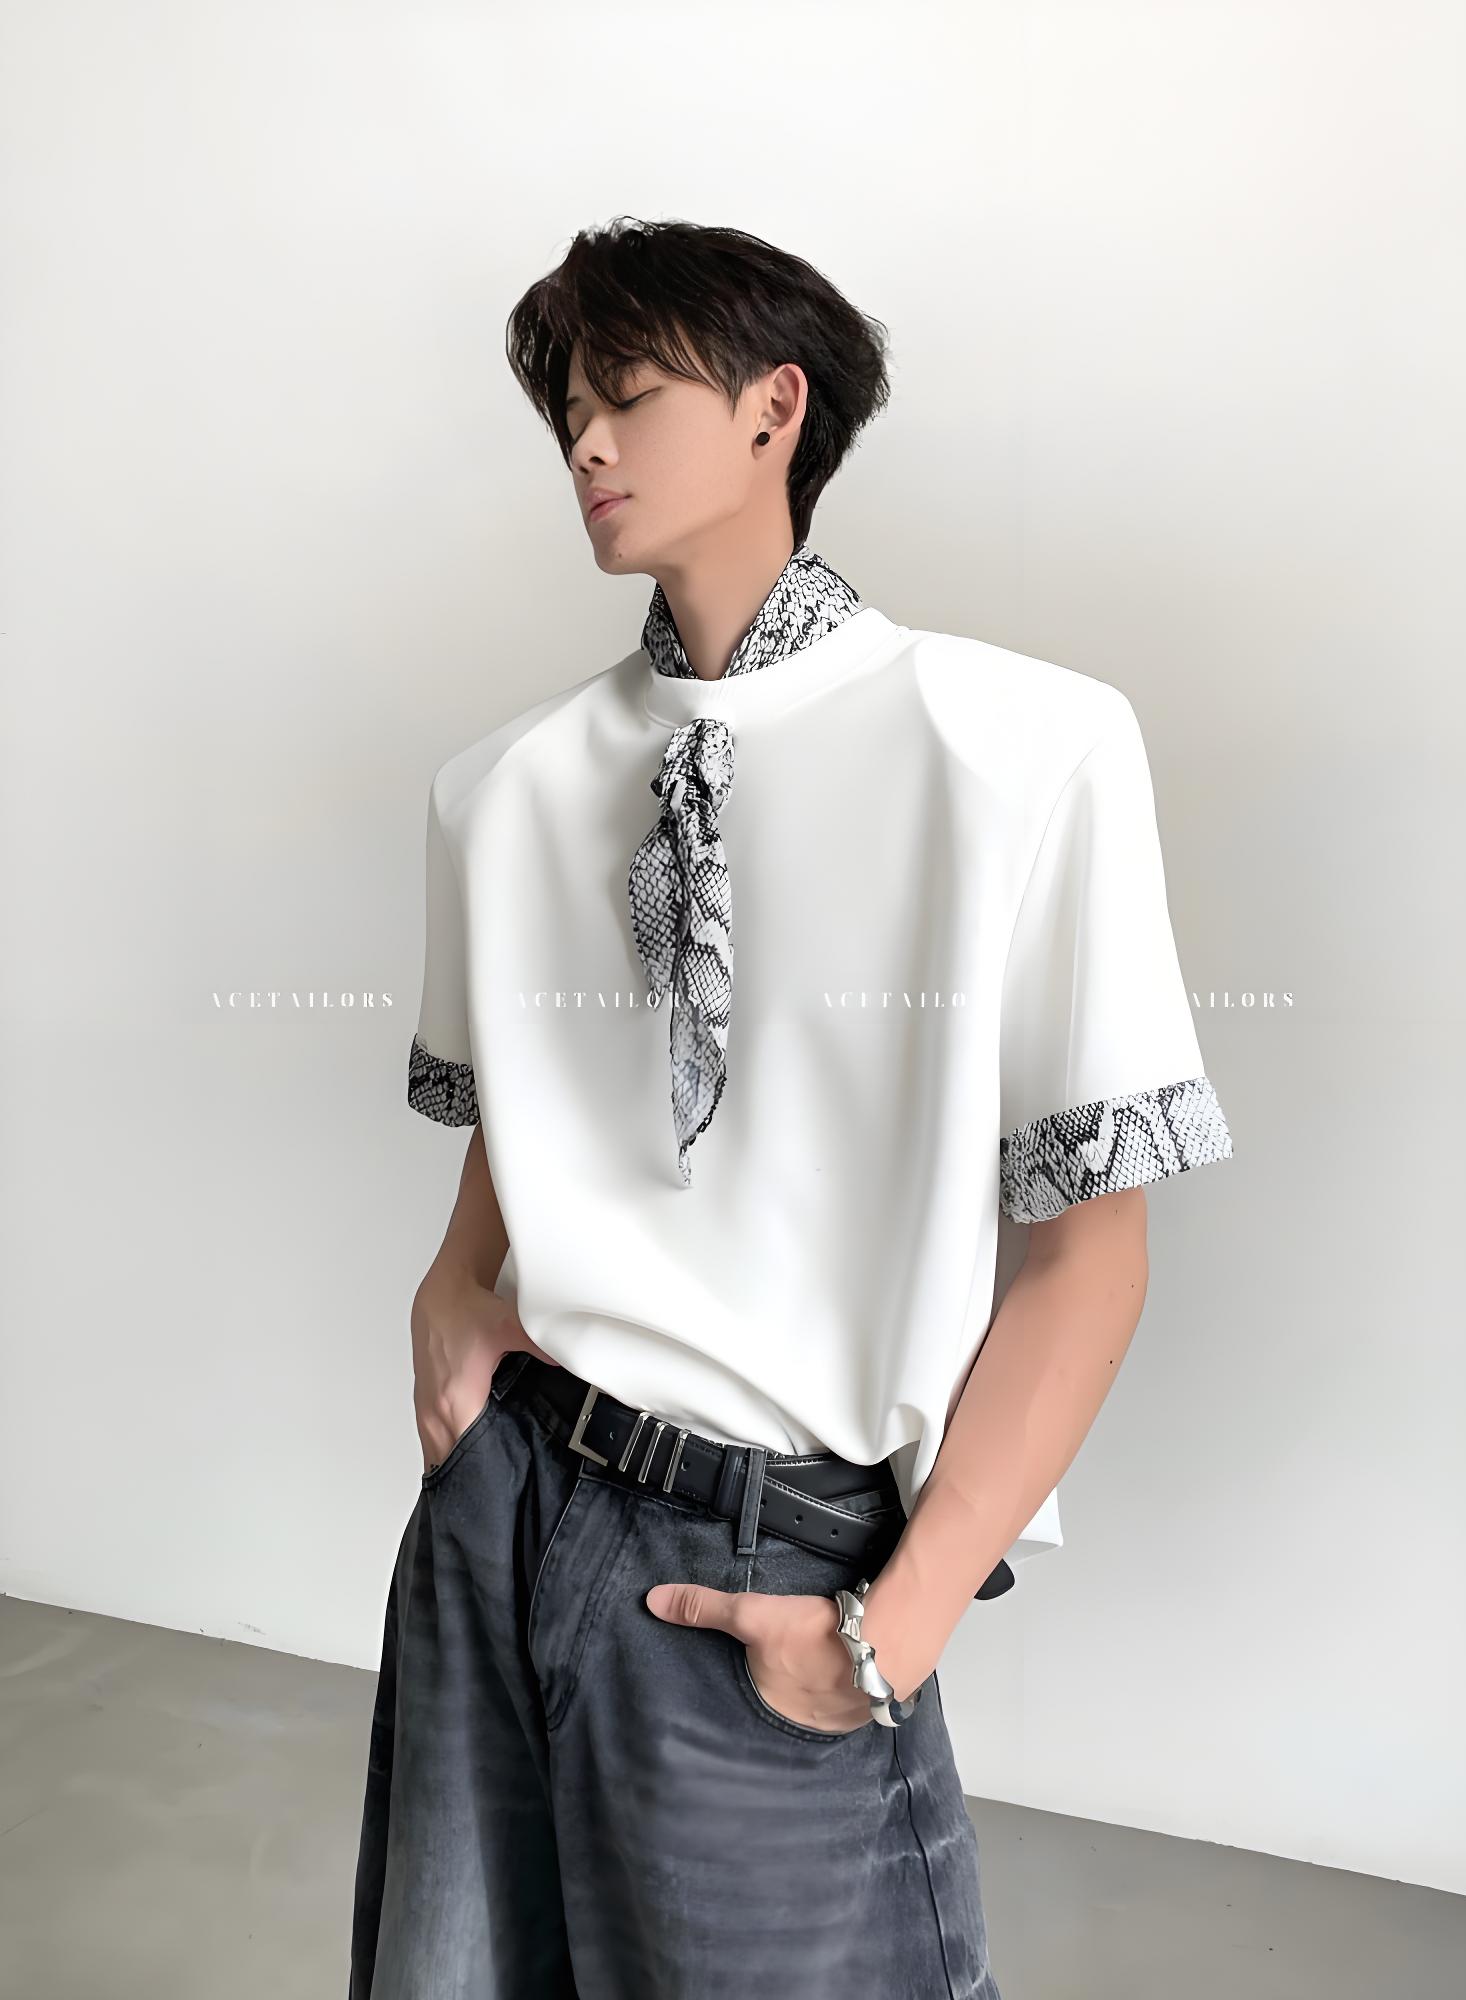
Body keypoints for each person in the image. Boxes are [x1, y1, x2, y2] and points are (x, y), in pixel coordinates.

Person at [348, 216, 1234, 2000]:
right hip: (507, 1508)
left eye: (627, 394)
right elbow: (532, 1094)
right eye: (567, 412)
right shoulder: (503, 789)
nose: (586, 444)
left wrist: (895, 1629)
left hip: (776, 1551)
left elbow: (1088, 1252)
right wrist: (453, 1283)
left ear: (776, 408)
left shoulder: (1024, 753)